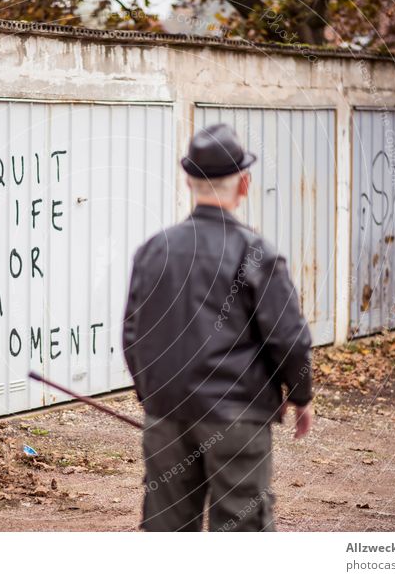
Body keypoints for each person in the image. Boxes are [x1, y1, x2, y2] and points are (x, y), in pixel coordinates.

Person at [122, 123, 314, 532]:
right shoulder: (256, 253)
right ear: (244, 184)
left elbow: (132, 334)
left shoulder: (154, 250)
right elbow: (287, 337)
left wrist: (153, 396)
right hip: (237, 420)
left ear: (189, 181)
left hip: (167, 418)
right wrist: (301, 395)